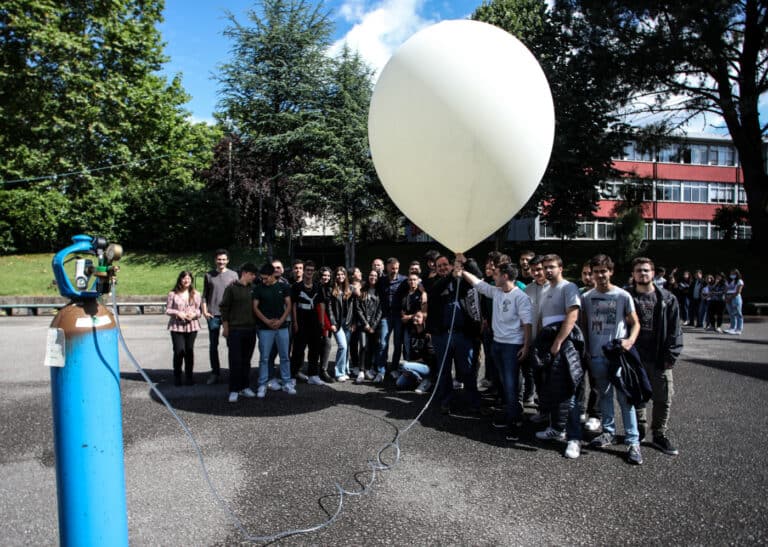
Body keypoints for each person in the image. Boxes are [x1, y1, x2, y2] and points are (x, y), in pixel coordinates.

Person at [455, 256, 532, 440]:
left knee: (511, 385)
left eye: (496, 274)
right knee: (504, 384)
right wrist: (462, 271)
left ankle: (514, 423)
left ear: (505, 276)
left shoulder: (520, 297)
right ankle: (510, 414)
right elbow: (478, 284)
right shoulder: (497, 292)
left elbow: (527, 324)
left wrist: (526, 346)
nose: (493, 276)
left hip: (512, 346)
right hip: (497, 344)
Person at [582, 255, 643, 464]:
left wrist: (630, 341)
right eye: (596, 271)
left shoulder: (622, 295)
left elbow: (635, 323)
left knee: (625, 399)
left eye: (603, 271)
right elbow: (584, 325)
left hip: (617, 356)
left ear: (611, 271)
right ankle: (608, 432)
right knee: (604, 396)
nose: (600, 275)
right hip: (596, 355)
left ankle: (633, 441)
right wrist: (587, 349)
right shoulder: (587, 297)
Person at [628, 257, 683, 456]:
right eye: (638, 270)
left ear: (653, 273)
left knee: (663, 397)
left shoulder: (667, 299)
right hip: (635, 357)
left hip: (659, 357)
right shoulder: (627, 297)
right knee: (637, 396)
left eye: (646, 270)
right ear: (633, 274)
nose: (642, 273)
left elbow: (675, 329)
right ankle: (640, 428)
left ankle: (659, 434)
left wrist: (671, 355)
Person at [532, 254, 585, 459]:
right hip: (546, 343)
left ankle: (574, 438)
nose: (548, 270)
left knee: (568, 392)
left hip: (564, 343)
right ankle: (556, 428)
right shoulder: (546, 289)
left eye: (551, 267)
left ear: (560, 268)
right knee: (552, 389)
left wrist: (559, 341)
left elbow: (572, 315)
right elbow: (541, 320)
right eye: (545, 267)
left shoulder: (569, 287)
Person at [427, 254, 482, 414]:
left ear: (451, 265)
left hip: (462, 334)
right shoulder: (433, 281)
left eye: (445, 264)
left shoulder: (462, 280)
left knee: (468, 369)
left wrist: (466, 261)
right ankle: (446, 401)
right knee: (444, 371)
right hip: (441, 335)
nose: (442, 268)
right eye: (439, 266)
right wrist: (451, 275)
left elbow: (478, 275)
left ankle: (474, 402)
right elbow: (435, 290)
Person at [253, 262, 293, 398]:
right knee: (264, 358)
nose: (264, 281)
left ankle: (287, 382)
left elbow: (288, 305)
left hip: (282, 328)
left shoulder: (283, 287)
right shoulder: (259, 288)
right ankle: (262, 384)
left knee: (285, 356)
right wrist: (267, 321)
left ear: (272, 275)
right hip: (265, 328)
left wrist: (281, 321)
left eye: (266, 278)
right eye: (262, 278)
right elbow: (255, 307)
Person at [220, 263, 259, 403]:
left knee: (246, 361)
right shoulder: (231, 288)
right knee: (235, 361)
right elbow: (224, 308)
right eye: (252, 274)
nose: (254, 277)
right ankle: (234, 389)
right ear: (244, 273)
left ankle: (245, 386)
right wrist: (225, 327)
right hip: (235, 330)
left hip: (250, 330)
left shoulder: (254, 289)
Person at [201, 249, 238, 385]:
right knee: (213, 346)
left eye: (223, 259)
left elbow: (237, 295)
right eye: (219, 259)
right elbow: (204, 295)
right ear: (215, 260)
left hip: (229, 316)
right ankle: (215, 373)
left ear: (227, 260)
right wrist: (205, 311)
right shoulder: (208, 275)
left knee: (231, 345)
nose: (221, 262)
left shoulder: (234, 275)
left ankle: (233, 372)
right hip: (213, 315)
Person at [290, 260, 325, 386]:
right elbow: (293, 305)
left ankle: (313, 375)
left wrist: (322, 321)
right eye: (307, 270)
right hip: (301, 322)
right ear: (304, 271)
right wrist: (295, 322)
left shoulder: (317, 287)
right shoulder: (296, 287)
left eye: (311, 270)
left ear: (314, 272)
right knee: (298, 350)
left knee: (314, 349)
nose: (309, 272)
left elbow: (321, 304)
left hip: (314, 322)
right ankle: (293, 375)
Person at [166, 271, 202, 386]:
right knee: (179, 351)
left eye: (188, 279)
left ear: (191, 280)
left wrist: (194, 314)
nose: (186, 280)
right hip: (177, 326)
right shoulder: (173, 294)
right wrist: (178, 313)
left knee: (189, 351)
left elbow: (199, 310)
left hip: (192, 326)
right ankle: (177, 376)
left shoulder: (196, 294)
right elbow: (168, 310)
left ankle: (189, 377)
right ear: (180, 280)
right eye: (184, 278)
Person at [375, 257, 408, 382]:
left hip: (398, 316)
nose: (395, 270)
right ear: (387, 267)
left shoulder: (404, 280)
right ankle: (381, 370)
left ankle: (394, 368)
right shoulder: (382, 280)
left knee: (397, 344)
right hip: (386, 316)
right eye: (392, 268)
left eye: (397, 268)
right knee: (383, 343)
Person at [396, 311, 436, 394]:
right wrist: (407, 369)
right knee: (399, 383)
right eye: (415, 316)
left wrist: (409, 365)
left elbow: (430, 357)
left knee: (404, 365)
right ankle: (418, 379)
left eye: (418, 317)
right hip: (415, 364)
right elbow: (411, 354)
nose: (415, 318)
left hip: (427, 366)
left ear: (424, 320)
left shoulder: (428, 335)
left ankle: (427, 380)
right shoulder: (413, 334)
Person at [355, 270, 382, 383]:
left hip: (375, 325)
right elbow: (358, 308)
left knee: (371, 348)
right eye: (371, 275)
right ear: (368, 276)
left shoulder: (380, 292)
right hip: (363, 324)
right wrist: (365, 323)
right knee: (363, 346)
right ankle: (361, 371)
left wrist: (373, 326)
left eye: (375, 275)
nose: (373, 277)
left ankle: (367, 369)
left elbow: (380, 310)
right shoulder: (362, 290)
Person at [328, 267, 354, 381]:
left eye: (342, 274)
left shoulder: (350, 288)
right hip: (337, 322)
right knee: (342, 346)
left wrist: (354, 322)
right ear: (335, 276)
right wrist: (332, 322)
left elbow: (355, 307)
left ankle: (345, 369)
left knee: (346, 347)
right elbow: (329, 308)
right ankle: (339, 373)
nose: (340, 276)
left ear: (346, 276)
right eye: (338, 274)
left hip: (348, 321)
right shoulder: (332, 289)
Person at [401, 271, 428, 365]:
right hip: (407, 325)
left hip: (417, 325)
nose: (412, 282)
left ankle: (416, 367)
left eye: (414, 280)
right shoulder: (405, 294)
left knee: (418, 348)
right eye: (410, 280)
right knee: (407, 347)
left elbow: (422, 310)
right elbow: (402, 307)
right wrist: (403, 315)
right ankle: (408, 367)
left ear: (418, 281)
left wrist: (409, 317)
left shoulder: (421, 294)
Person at [724, 268, 744, 335]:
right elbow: (726, 290)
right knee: (731, 313)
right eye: (731, 273)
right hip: (728, 297)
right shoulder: (728, 281)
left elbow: (738, 291)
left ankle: (739, 329)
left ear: (737, 274)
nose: (732, 275)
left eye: (734, 273)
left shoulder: (739, 281)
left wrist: (730, 297)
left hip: (735, 297)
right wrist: (726, 297)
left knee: (738, 313)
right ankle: (732, 328)